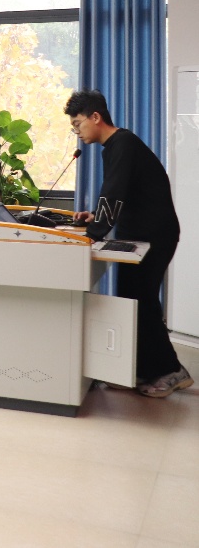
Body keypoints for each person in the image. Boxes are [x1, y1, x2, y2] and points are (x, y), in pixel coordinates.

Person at [66, 90, 191, 398]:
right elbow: (124, 194)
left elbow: (114, 191)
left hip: (155, 235)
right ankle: (142, 369)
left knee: (142, 301)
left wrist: (92, 234)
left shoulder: (123, 143)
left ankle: (171, 370)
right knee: (133, 300)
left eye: (78, 124)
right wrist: (95, 216)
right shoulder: (115, 146)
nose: (77, 132)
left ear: (96, 117)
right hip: (138, 234)